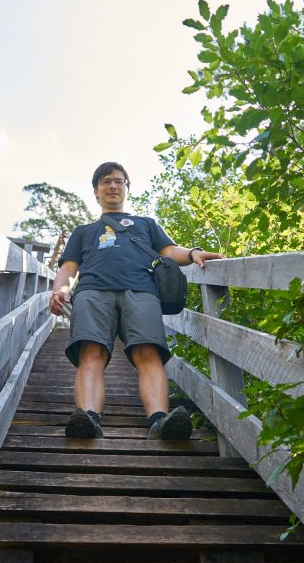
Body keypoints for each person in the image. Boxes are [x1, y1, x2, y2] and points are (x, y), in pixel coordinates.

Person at [48, 161, 223, 440]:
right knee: (91, 353)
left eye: (119, 181)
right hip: (92, 291)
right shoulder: (83, 232)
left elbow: (168, 251)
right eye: (106, 181)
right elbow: (69, 268)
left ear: (127, 189)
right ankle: (87, 418)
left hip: (141, 291)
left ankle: (160, 421)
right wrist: (59, 290)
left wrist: (193, 253)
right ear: (96, 191)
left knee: (148, 353)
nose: (113, 185)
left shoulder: (145, 224)